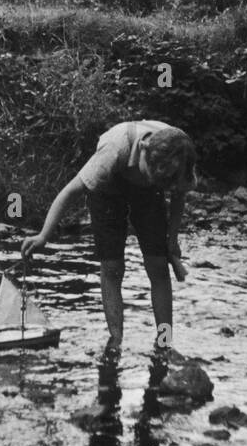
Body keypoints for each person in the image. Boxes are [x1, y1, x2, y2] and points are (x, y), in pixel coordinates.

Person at [21, 120, 197, 350]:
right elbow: (69, 192)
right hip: (108, 190)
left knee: (158, 265)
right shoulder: (114, 150)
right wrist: (44, 235)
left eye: (160, 182)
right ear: (144, 151)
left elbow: (178, 197)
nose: (151, 180)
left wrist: (172, 240)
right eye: (149, 175)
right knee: (112, 267)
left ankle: (165, 340)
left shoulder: (181, 156)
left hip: (148, 197)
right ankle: (116, 341)